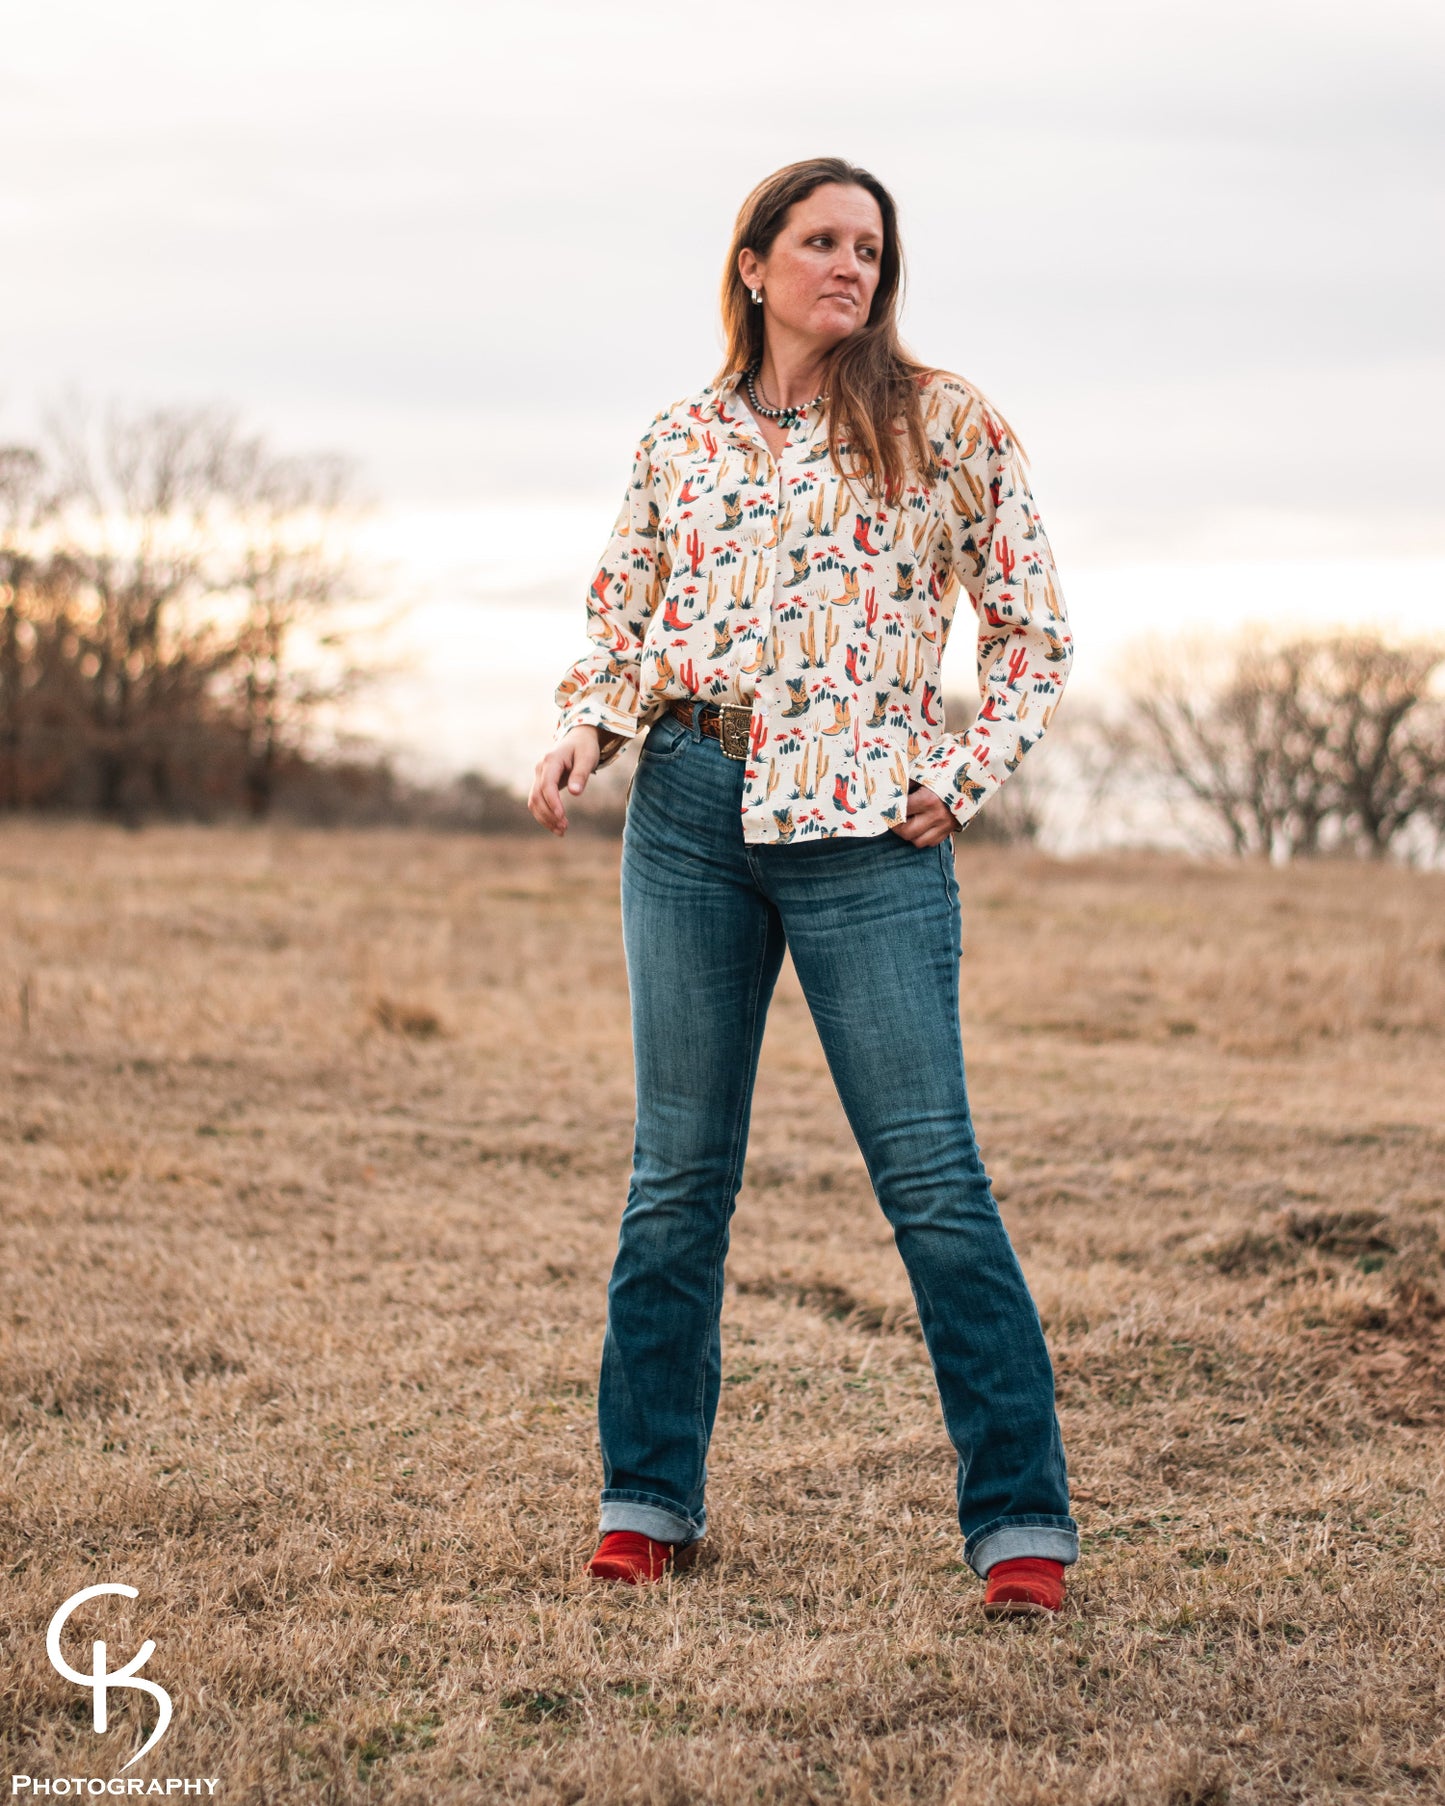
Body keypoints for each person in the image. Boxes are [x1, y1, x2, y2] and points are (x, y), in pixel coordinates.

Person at [529, 157, 1076, 1619]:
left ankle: (1019, 1522)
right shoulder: (678, 441)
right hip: (690, 808)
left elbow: (1031, 629)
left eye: (870, 249)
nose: (851, 267)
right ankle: (645, 1501)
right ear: (754, 265)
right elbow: (623, 615)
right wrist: (586, 727)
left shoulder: (942, 422)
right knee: (674, 1182)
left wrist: (955, 779)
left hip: (864, 831)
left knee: (933, 1184)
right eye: (821, 242)